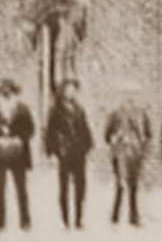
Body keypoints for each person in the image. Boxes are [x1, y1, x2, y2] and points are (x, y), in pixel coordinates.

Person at [0, 77, 35, 233]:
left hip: (19, 155)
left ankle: (25, 221)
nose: (6, 93)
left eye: (9, 91)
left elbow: (30, 129)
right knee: (0, 190)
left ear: (14, 92)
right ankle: (0, 222)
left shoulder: (22, 109)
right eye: (3, 91)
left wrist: (20, 139)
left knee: (21, 189)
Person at [45, 77, 94, 229]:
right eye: (68, 90)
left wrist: (88, 147)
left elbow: (85, 129)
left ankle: (79, 219)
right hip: (64, 152)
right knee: (64, 187)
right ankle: (65, 220)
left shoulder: (79, 109)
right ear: (63, 91)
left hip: (79, 152)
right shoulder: (56, 110)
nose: (71, 92)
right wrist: (52, 152)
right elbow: (50, 132)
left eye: (74, 90)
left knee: (80, 186)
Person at [104, 80, 152, 227]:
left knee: (134, 184)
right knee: (120, 184)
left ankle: (134, 216)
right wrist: (115, 138)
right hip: (120, 152)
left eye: (133, 95)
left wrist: (142, 145)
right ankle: (115, 216)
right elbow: (107, 134)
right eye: (127, 94)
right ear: (122, 96)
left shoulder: (142, 113)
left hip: (135, 153)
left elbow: (149, 133)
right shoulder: (115, 113)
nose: (130, 98)